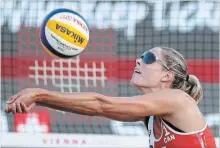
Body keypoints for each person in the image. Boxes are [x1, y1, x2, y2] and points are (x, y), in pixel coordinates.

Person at [5, 46, 216, 148]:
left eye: (148, 58)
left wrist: (40, 94)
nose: (138, 60)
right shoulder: (151, 116)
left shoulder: (177, 100)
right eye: (140, 56)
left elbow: (101, 105)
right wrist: (40, 99)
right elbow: (94, 110)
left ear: (167, 75)